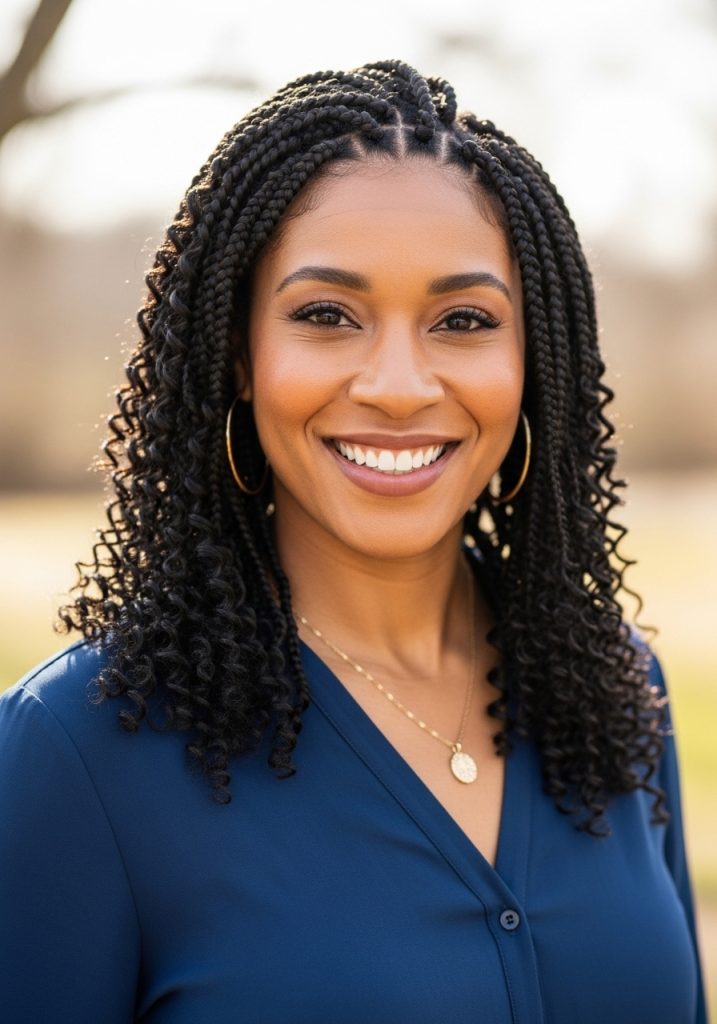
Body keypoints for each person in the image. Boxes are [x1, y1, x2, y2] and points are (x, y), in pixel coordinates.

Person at [0, 60, 707, 1023]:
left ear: (530, 361)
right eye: (325, 315)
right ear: (239, 359)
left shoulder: (617, 692)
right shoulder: (79, 747)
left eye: (463, 320)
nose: (399, 384)